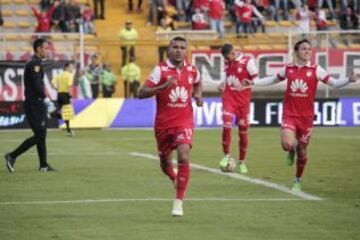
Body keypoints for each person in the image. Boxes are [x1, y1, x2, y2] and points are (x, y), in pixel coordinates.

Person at [245, 39, 357, 191]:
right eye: (304, 49)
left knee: (303, 151)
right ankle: (291, 149)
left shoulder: (316, 69)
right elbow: (272, 79)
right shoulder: (288, 69)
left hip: (306, 117)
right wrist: (254, 82)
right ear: (296, 51)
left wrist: (348, 80)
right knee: (286, 144)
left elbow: (334, 83)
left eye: (309, 49)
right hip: (289, 113)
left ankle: (297, 179)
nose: (307, 51)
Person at [138, 36, 203, 216]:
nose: (179, 50)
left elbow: (198, 82)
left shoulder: (192, 70)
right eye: (175, 47)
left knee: (183, 155)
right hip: (163, 125)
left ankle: (178, 202)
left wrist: (198, 96)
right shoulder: (160, 70)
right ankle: (174, 178)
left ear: (186, 51)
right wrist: (163, 86)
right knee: (165, 163)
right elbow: (141, 93)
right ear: (168, 50)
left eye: (182, 48)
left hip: (184, 121)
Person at [4, 38, 57, 173]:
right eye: (45, 48)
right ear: (38, 49)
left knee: (41, 133)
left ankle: (43, 165)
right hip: (34, 104)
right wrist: (46, 99)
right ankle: (12, 155)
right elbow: (36, 84)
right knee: (40, 135)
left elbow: (37, 84)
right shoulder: (35, 64)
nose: (47, 50)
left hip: (36, 103)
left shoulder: (35, 63)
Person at [217, 44, 259, 174]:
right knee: (227, 125)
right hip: (229, 99)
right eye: (225, 58)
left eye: (228, 56)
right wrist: (222, 83)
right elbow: (227, 75)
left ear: (233, 53)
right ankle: (227, 156)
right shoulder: (227, 62)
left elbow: (256, 78)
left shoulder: (248, 61)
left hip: (243, 103)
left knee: (243, 132)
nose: (227, 60)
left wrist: (251, 82)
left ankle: (242, 161)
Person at [52, 62, 75, 136]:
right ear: (67, 67)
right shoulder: (69, 75)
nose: (72, 69)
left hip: (59, 94)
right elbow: (69, 86)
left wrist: (57, 88)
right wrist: (70, 95)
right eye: (71, 67)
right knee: (67, 114)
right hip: (65, 94)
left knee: (60, 110)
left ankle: (53, 114)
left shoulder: (59, 75)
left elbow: (52, 82)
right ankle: (68, 131)